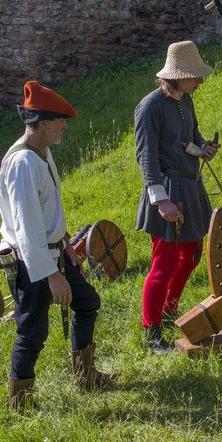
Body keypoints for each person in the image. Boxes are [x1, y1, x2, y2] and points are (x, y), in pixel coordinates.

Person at [1, 81, 115, 412]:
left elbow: (50, 211)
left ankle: (85, 376)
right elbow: (27, 229)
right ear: (43, 122)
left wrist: (66, 245)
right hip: (32, 262)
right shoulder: (23, 164)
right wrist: (52, 276)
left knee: (87, 302)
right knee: (32, 332)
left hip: (54, 255)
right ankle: (19, 406)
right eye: (60, 120)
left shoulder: (42, 154)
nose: (65, 126)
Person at [134, 41, 218, 354]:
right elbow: (145, 157)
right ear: (177, 75)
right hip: (168, 191)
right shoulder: (150, 106)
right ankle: (151, 330)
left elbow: (191, 138)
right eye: (194, 75)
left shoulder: (186, 100)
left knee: (192, 256)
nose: (200, 80)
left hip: (191, 187)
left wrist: (203, 148)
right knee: (164, 263)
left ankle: (169, 311)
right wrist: (161, 199)